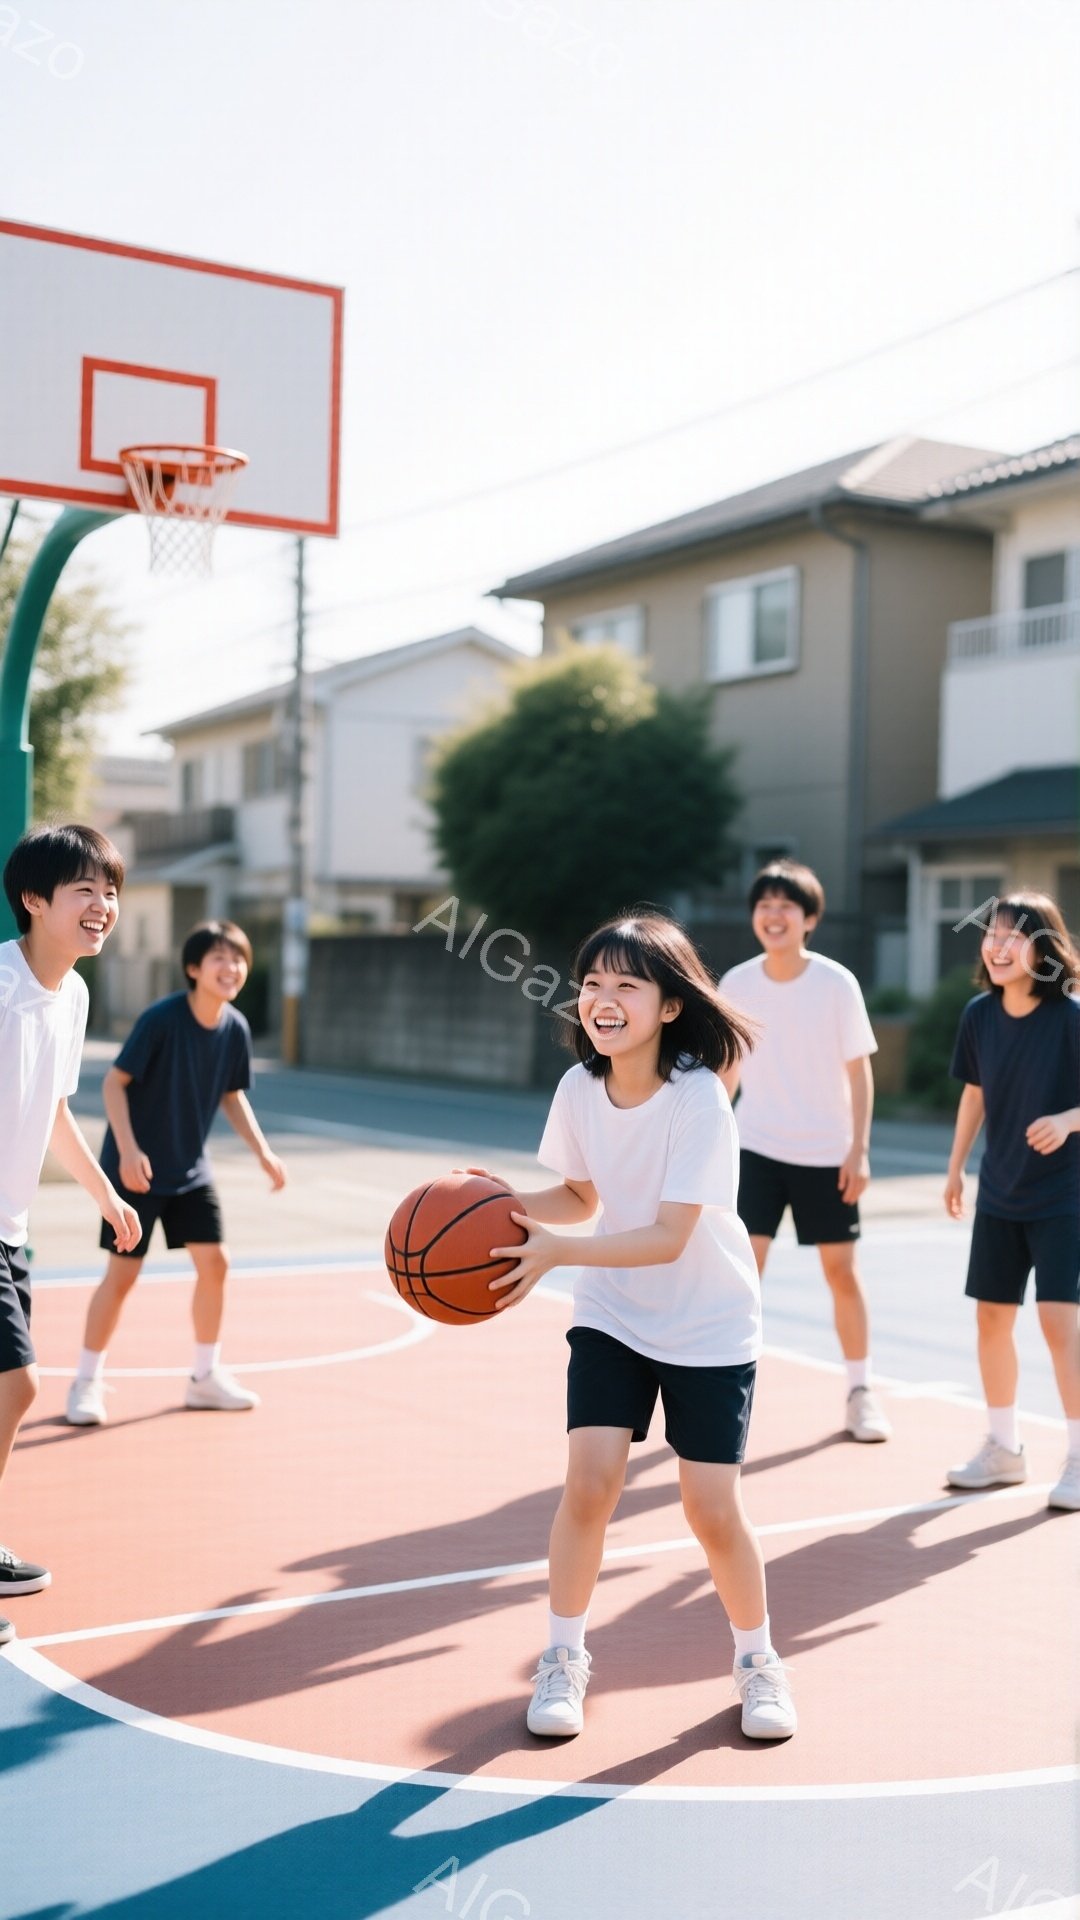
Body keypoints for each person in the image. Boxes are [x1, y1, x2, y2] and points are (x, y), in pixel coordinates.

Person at [481, 910, 797, 1743]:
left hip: (707, 1320)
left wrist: (556, 1254)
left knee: (710, 1509)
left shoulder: (698, 1097)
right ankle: (563, 1658)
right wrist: (490, 1208)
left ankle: (759, 1663)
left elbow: (668, 1236)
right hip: (614, 1313)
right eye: (591, 983)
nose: (603, 998)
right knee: (589, 1483)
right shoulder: (579, 1089)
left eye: (627, 983)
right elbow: (580, 1198)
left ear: (668, 1006)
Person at [0, 825, 141, 1642]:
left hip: (9, 1230)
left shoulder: (76, 997)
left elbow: (55, 1112)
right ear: (34, 899)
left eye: (111, 891)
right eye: (84, 890)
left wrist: (107, 1195)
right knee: (14, 1387)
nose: (103, 907)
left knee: (5, 1391)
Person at [65, 919, 286, 1427]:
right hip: (136, 1168)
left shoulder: (235, 1028)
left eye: (239, 959)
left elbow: (233, 1097)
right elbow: (114, 1086)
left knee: (217, 1265)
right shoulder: (162, 1019)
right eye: (219, 958)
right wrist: (126, 1150)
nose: (231, 968)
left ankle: (204, 1378)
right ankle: (86, 1382)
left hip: (190, 1169)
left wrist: (263, 1153)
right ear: (194, 968)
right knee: (122, 1275)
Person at [719, 859, 889, 1443]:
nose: (774, 915)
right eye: (764, 905)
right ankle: (726, 1392)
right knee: (743, 1275)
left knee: (841, 1273)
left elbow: (859, 1073)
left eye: (786, 906)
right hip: (757, 1150)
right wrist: (707, 1142)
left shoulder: (836, 983)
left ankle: (860, 1392)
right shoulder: (736, 984)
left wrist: (859, 1150)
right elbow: (727, 1074)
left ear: (809, 918)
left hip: (825, 1152)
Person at [943, 890, 1080, 1511]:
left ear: (1043, 947)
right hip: (1000, 1191)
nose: (997, 946)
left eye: (1013, 936)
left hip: (1064, 1196)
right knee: (991, 1319)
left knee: (1058, 1323)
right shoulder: (979, 1014)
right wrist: (955, 1170)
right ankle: (1004, 1449)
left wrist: (1069, 1120)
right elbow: (974, 1095)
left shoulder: (1071, 1017)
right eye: (990, 935)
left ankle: (1078, 1457)